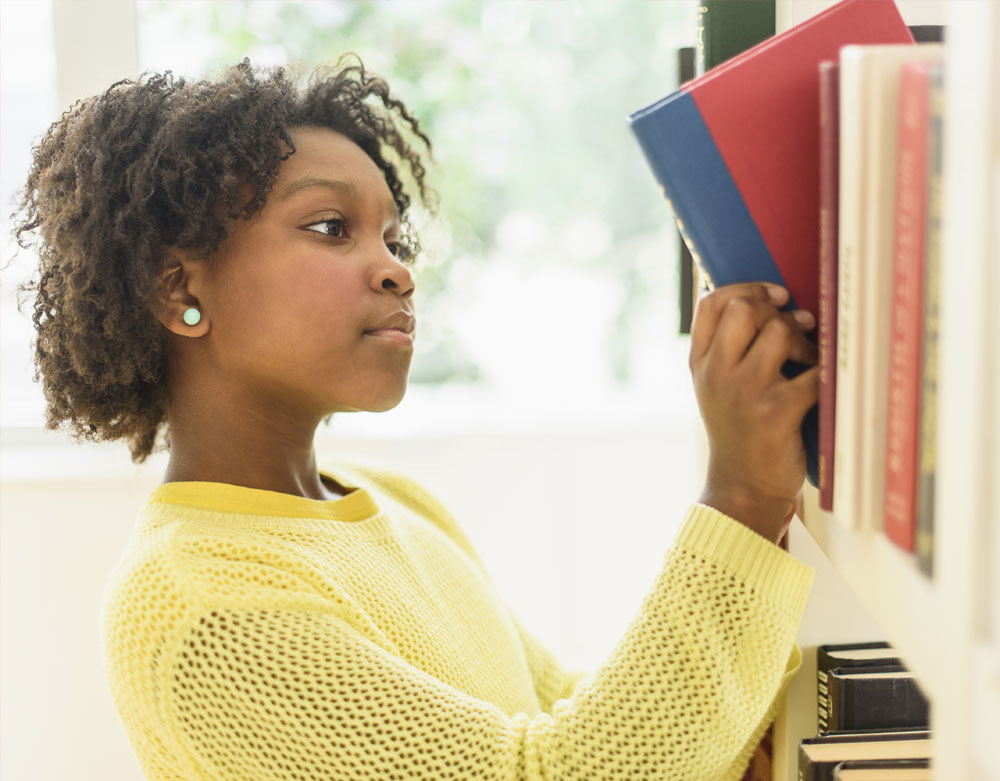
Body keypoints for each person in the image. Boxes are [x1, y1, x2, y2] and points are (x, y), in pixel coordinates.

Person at [13, 54, 819, 780]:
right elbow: (552, 774)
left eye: (394, 236)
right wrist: (745, 495)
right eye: (331, 227)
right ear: (179, 289)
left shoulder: (390, 498)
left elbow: (557, 714)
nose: (396, 268)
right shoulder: (205, 611)